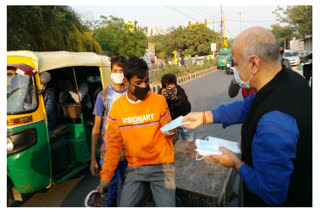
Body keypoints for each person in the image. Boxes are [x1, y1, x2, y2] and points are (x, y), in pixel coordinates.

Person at [182, 27, 312, 207]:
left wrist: (236, 163)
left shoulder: (274, 123)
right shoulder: (291, 79)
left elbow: (271, 193)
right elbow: (246, 106)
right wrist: (205, 116)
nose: (234, 69)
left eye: (235, 63)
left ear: (253, 63)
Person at [96, 57, 177, 207]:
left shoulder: (159, 101)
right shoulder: (117, 109)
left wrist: (170, 131)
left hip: (162, 167)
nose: (145, 86)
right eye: (139, 83)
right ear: (126, 82)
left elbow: (171, 133)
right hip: (135, 168)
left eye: (146, 81)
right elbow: (113, 147)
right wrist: (105, 179)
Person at [90, 56, 128, 207]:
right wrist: (93, 158)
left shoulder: (132, 95)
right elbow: (96, 127)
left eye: (121, 70)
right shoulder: (103, 96)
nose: (118, 73)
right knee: (109, 196)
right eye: (115, 70)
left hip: (129, 155)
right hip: (108, 154)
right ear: (111, 72)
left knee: (129, 195)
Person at [158, 73, 193, 143]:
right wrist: (162, 99)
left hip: (183, 122)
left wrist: (176, 99)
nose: (172, 91)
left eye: (174, 88)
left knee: (190, 144)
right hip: (171, 125)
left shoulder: (179, 90)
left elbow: (188, 108)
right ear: (164, 89)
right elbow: (158, 113)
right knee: (172, 145)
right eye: (169, 89)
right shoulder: (160, 94)